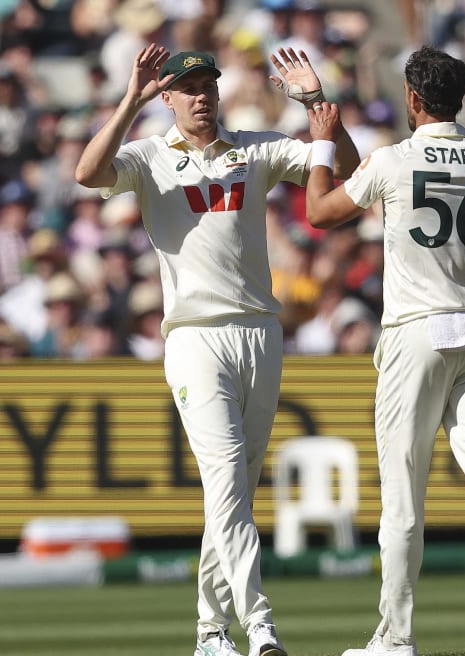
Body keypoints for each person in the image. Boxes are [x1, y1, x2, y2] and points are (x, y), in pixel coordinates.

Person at [75, 43, 360, 656]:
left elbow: (347, 173)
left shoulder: (255, 148)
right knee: (228, 477)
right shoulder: (150, 156)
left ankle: (209, 631)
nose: (202, 96)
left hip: (260, 330)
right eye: (189, 87)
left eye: (209, 85)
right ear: (168, 96)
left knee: (232, 492)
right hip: (194, 336)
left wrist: (315, 102)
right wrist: (130, 100)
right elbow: (88, 173)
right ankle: (259, 623)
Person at [303, 46, 465, 656]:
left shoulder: (392, 161)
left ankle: (395, 638)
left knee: (403, 496)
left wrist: (320, 142)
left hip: (417, 329)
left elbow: (318, 212)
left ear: (414, 101)